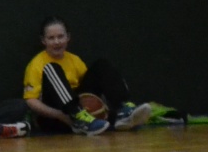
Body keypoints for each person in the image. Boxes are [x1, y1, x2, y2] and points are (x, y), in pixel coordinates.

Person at [23, 18, 152, 136]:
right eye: (51, 38)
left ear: (68, 37)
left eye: (60, 36)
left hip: (82, 110)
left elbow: (88, 89)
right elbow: (31, 101)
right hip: (57, 115)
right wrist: (61, 115)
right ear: (43, 41)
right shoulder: (37, 64)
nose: (57, 42)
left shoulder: (74, 60)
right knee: (51, 68)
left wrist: (100, 108)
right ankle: (77, 117)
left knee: (102, 64)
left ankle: (123, 111)